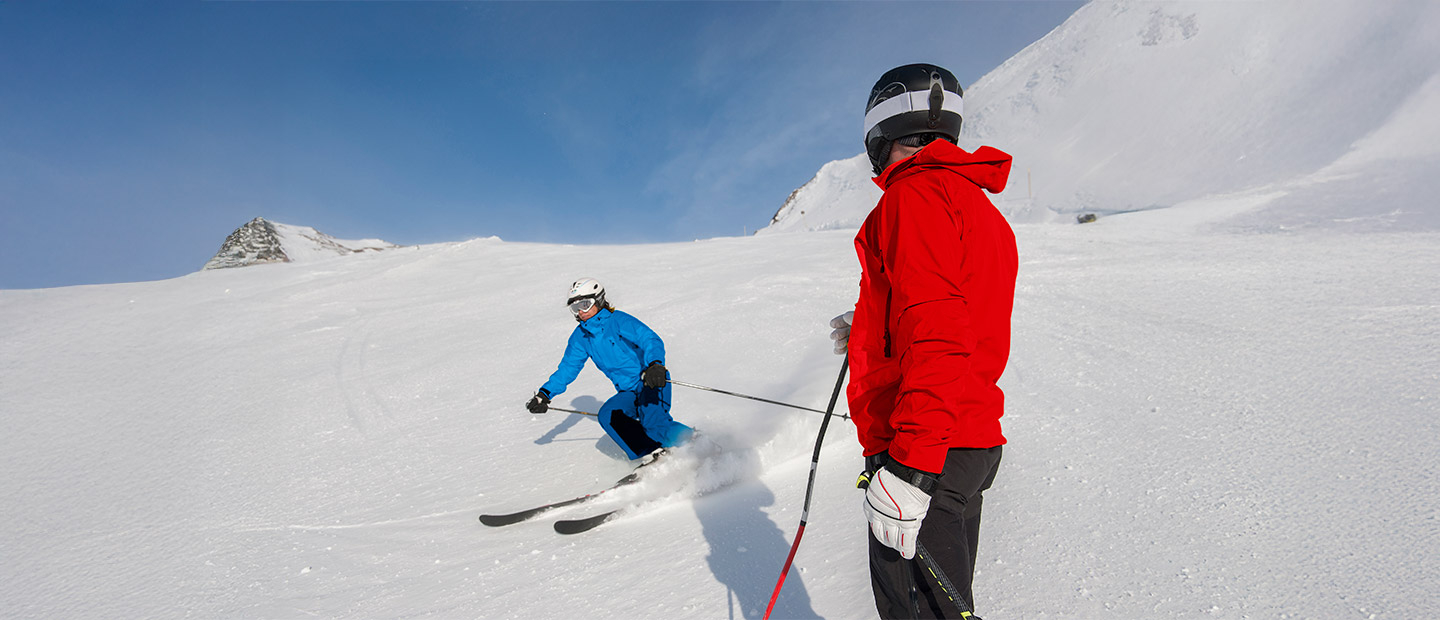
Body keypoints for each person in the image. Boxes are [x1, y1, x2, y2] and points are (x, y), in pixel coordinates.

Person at [830, 63, 1016, 619]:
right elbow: (960, 306)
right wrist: (870, 321)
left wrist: (911, 467)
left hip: (926, 448)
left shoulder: (912, 196)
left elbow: (939, 330)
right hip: (965, 440)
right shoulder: (971, 201)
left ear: (879, 135)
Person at [527, 278, 693, 464]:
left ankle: (697, 443)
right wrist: (545, 394)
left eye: (585, 304)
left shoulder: (618, 321)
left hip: (651, 379)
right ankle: (653, 455)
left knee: (653, 422)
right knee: (609, 415)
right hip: (627, 391)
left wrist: (656, 365)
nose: (581, 311)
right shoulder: (581, 337)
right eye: (575, 308)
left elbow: (650, 339)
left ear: (598, 300)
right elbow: (568, 368)